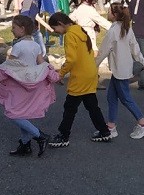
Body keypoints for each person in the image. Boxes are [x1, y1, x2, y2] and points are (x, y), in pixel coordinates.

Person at [0, 15, 57, 156]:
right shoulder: (35, 45)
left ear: (22, 29)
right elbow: (42, 63)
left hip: (18, 86)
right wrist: (52, 75)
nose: (12, 31)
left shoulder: (18, 46)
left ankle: (40, 136)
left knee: (13, 114)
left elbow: (7, 68)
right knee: (22, 114)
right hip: (31, 85)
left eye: (14, 28)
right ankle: (25, 145)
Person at [46, 12, 113, 148]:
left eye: (54, 28)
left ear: (60, 24)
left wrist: (61, 73)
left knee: (70, 107)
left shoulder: (70, 35)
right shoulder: (80, 30)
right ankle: (104, 131)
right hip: (90, 72)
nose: (55, 32)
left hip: (80, 76)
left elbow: (71, 59)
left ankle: (63, 135)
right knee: (92, 105)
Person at [95, 3, 144, 139]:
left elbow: (103, 51)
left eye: (109, 11)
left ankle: (143, 124)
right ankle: (111, 126)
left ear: (114, 15)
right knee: (111, 97)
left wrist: (92, 67)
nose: (107, 13)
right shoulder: (126, 28)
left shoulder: (113, 31)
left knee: (126, 99)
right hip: (123, 69)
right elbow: (136, 50)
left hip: (120, 71)